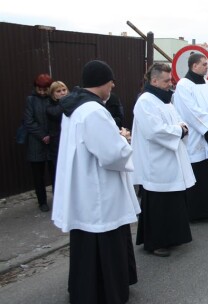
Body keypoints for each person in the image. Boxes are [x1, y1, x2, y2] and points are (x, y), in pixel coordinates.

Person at [52, 60, 140, 303]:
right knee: (105, 239)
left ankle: (85, 289)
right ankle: (107, 291)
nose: (113, 84)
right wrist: (124, 139)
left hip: (85, 188)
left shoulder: (76, 108)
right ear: (102, 81)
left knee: (86, 243)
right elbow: (111, 154)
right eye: (110, 79)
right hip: (100, 191)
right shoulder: (94, 111)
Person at [131, 62, 195, 257]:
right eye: (167, 81)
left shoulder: (164, 100)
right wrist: (179, 130)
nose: (170, 84)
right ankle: (156, 241)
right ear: (154, 80)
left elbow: (179, 120)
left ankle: (172, 237)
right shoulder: (145, 101)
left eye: (171, 80)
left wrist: (182, 127)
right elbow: (154, 131)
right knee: (159, 204)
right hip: (156, 161)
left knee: (172, 202)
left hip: (171, 158)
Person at [174, 53, 208, 221]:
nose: (207, 67)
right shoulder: (184, 85)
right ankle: (199, 212)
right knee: (200, 175)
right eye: (204, 64)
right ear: (194, 66)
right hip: (196, 136)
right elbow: (190, 111)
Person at [23, 73, 54, 212]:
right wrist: (43, 135)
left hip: (52, 142)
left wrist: (51, 135)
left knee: (55, 173)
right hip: (36, 143)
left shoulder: (53, 99)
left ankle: (58, 199)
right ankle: (42, 202)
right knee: (38, 175)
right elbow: (29, 121)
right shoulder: (31, 100)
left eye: (44, 89)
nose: (41, 92)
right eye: (39, 89)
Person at [46, 81, 69, 192]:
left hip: (69, 141)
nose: (62, 93)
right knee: (59, 172)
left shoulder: (69, 102)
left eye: (64, 90)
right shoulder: (50, 106)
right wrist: (65, 102)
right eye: (58, 91)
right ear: (53, 94)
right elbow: (55, 113)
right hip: (57, 144)